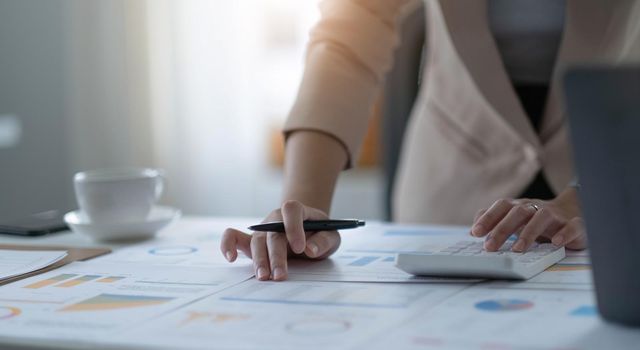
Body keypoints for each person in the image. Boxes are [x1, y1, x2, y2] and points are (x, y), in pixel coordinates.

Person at [221, 0, 640, 281]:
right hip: (453, 183)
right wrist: (301, 217)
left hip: (611, 164)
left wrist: (590, 190)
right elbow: (350, 37)